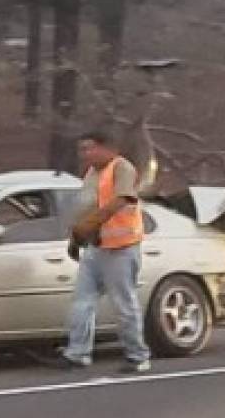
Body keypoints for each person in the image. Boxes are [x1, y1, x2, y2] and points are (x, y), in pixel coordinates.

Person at [57, 130, 153, 373]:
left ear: (108, 148)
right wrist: (76, 237)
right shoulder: (92, 173)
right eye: (82, 149)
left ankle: (137, 355)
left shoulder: (122, 168)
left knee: (124, 303)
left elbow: (122, 199)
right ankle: (77, 353)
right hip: (95, 248)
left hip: (121, 249)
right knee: (82, 301)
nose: (85, 154)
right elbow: (86, 206)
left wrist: (90, 224)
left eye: (90, 148)